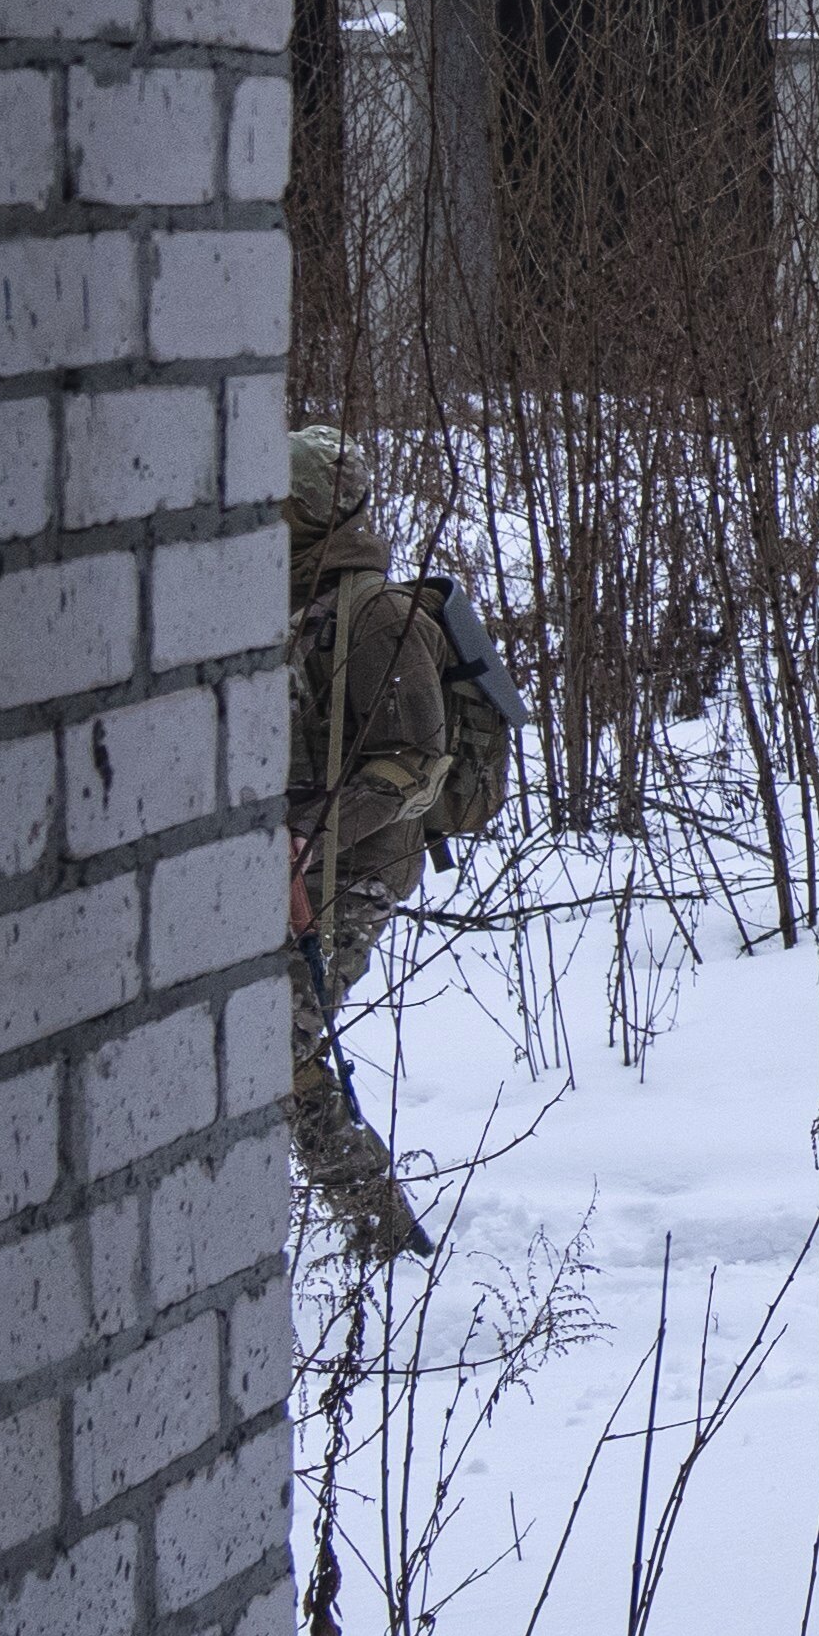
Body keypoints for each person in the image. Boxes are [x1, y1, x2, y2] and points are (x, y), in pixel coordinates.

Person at [280, 428, 507, 1262]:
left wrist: (306, 844)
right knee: (274, 1053)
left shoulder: (377, 616)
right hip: (280, 865)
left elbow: (415, 762)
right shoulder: (283, 604)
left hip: (353, 871)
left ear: (306, 510)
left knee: (276, 1045)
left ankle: (381, 1231)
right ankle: (373, 1222)